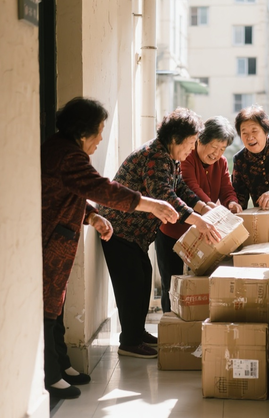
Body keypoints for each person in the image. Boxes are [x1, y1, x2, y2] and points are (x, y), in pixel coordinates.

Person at [41, 97, 179, 400]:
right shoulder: (67, 155)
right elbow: (103, 188)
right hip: (49, 242)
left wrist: (92, 216)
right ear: (82, 132)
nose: (101, 138)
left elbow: (75, 193)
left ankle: (62, 365)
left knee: (56, 305)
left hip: (58, 241)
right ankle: (50, 376)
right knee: (48, 309)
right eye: (99, 131)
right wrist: (149, 204)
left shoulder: (64, 150)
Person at [98, 108, 221, 359]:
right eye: (188, 144)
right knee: (131, 285)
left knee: (142, 280)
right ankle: (129, 342)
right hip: (119, 229)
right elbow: (164, 195)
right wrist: (198, 221)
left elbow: (180, 189)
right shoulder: (154, 156)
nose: (190, 150)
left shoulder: (169, 158)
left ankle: (137, 332)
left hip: (135, 235)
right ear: (174, 138)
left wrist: (202, 206)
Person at [155, 116, 241, 313]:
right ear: (200, 140)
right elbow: (189, 188)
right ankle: (171, 326)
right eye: (214, 147)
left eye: (222, 149)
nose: (217, 153)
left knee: (198, 287)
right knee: (172, 284)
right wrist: (207, 207)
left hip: (202, 234)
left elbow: (227, 188)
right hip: (173, 232)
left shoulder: (221, 163)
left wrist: (232, 202)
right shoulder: (186, 156)